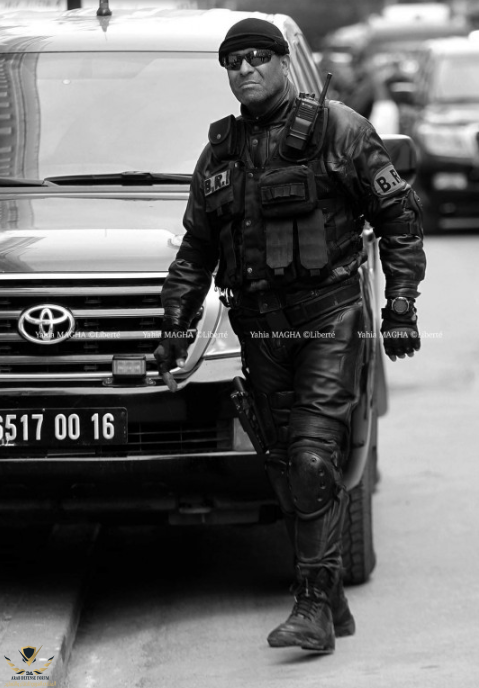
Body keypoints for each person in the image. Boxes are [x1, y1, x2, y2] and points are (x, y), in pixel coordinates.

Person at [154, 18, 426, 653]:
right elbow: (195, 252)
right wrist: (174, 329)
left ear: (282, 62)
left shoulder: (339, 129)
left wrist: (400, 307)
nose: (245, 69)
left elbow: (399, 221)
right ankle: (331, 600)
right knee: (284, 468)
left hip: (329, 317)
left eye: (257, 57)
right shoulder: (219, 153)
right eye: (233, 62)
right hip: (260, 327)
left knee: (311, 458)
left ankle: (311, 607)